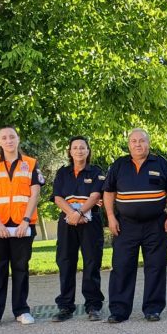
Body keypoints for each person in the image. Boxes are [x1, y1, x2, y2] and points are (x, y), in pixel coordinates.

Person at [103, 128, 167, 323]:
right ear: (129, 145)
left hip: (156, 225)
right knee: (121, 267)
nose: (138, 144)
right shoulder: (119, 165)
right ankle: (119, 311)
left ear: (148, 143)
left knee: (156, 267)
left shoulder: (160, 163)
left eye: (142, 141)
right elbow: (108, 192)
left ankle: (153, 309)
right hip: (125, 225)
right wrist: (110, 217)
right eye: (134, 141)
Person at [0, 126, 44, 329]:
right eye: (4, 137)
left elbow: (35, 194)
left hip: (22, 224)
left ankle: (21, 310)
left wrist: (25, 220)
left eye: (12, 137)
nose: (8, 140)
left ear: (18, 139)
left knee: (20, 268)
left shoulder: (31, 163)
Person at [50, 136, 106, 322]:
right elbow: (57, 197)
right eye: (75, 147)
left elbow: (95, 195)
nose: (79, 150)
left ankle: (93, 306)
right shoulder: (62, 172)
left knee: (92, 262)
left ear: (88, 151)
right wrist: (72, 214)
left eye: (82, 147)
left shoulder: (96, 171)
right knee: (65, 262)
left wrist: (80, 212)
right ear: (70, 151)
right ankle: (65, 307)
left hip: (91, 222)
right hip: (67, 222)